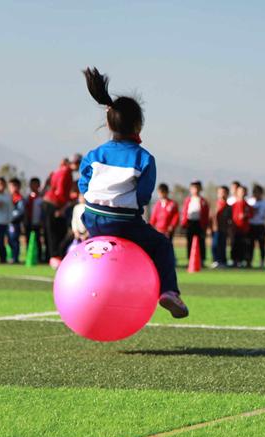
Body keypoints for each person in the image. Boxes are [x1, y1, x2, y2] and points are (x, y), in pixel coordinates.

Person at [78, 67, 188, 317]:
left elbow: (83, 185)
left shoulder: (94, 155)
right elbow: (143, 196)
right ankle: (170, 292)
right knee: (161, 245)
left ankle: (80, 261)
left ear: (109, 123)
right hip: (125, 223)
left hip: (93, 219)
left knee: (90, 236)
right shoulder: (144, 158)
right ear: (138, 125)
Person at [181, 181, 210, 265]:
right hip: (190, 223)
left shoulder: (203, 201)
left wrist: (205, 226)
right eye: (194, 188)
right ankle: (190, 260)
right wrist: (184, 223)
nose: (195, 190)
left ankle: (202, 260)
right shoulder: (188, 200)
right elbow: (184, 212)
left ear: (200, 189)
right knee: (190, 242)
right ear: (190, 189)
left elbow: (206, 214)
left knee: (201, 241)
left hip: (199, 223)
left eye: (197, 188)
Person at [247, 184, 265, 267]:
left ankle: (262, 261)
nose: (256, 194)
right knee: (250, 244)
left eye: (258, 193)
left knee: (262, 244)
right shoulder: (250, 202)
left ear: (261, 193)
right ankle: (249, 261)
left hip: (260, 225)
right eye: (255, 193)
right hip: (251, 225)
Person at [231, 184, 253, 267]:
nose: (242, 193)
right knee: (235, 245)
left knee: (244, 246)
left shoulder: (247, 205)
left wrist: (246, 215)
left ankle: (244, 261)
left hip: (245, 229)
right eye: (240, 191)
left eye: (244, 191)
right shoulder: (234, 205)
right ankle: (235, 261)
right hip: (235, 229)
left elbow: (251, 215)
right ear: (237, 192)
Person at [211, 185, 232, 268]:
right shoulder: (214, 205)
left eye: (224, 193)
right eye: (220, 193)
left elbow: (230, 219)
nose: (222, 194)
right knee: (215, 245)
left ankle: (223, 261)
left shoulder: (228, 207)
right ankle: (216, 260)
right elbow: (211, 217)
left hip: (224, 229)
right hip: (215, 229)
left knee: (223, 245)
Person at [25, 177, 45, 262]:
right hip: (29, 222)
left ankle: (39, 257)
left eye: (36, 184)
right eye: (32, 184)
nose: (33, 186)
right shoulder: (27, 198)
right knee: (28, 240)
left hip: (37, 223)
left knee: (38, 241)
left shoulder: (41, 198)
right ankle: (29, 256)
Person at [8, 178, 25, 264]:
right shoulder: (8, 197)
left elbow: (20, 211)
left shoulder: (19, 198)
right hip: (7, 222)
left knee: (14, 240)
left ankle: (15, 258)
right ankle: (11, 256)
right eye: (11, 186)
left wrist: (11, 216)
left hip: (14, 223)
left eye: (14, 186)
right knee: (10, 240)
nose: (12, 188)